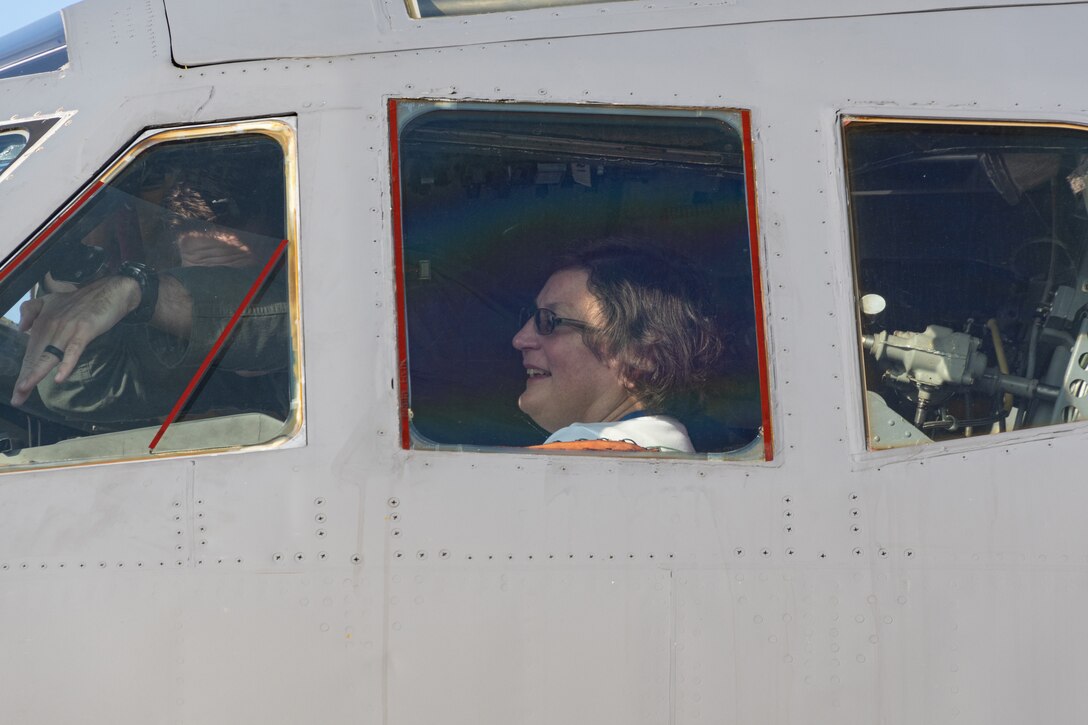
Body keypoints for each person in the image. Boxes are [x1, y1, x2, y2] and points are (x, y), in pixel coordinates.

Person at [9, 173, 290, 426]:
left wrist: (139, 290)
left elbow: (285, 323)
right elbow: (81, 390)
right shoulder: (188, 347)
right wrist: (71, 281)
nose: (217, 294)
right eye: (195, 277)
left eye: (235, 282)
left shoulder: (320, 319)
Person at [512, 242, 723, 453]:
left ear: (641, 353)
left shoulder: (581, 448)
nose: (520, 340)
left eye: (548, 321)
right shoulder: (671, 444)